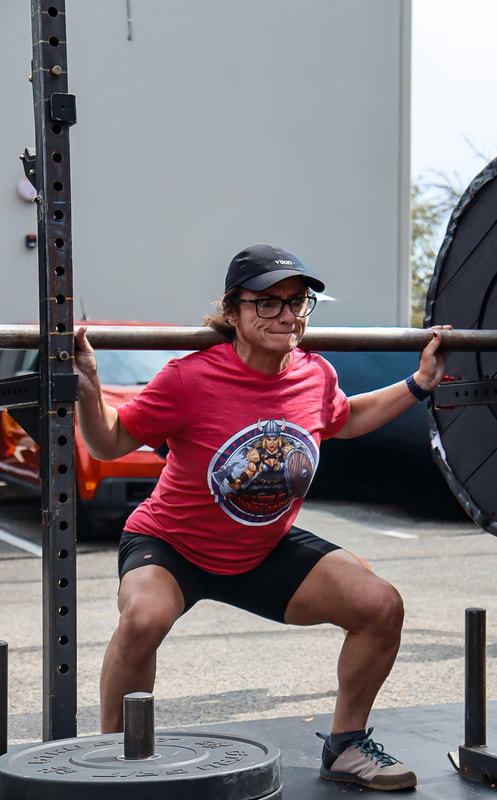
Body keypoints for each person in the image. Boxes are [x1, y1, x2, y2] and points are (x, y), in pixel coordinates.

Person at [74, 244, 448, 791]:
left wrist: (419, 384)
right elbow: (108, 442)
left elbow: (345, 418)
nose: (286, 315)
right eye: (267, 303)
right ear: (233, 312)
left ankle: (345, 747)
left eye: (297, 302)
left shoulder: (315, 374)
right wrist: (88, 388)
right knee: (144, 621)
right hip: (173, 546)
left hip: (261, 549)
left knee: (380, 606)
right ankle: (118, 760)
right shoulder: (188, 378)